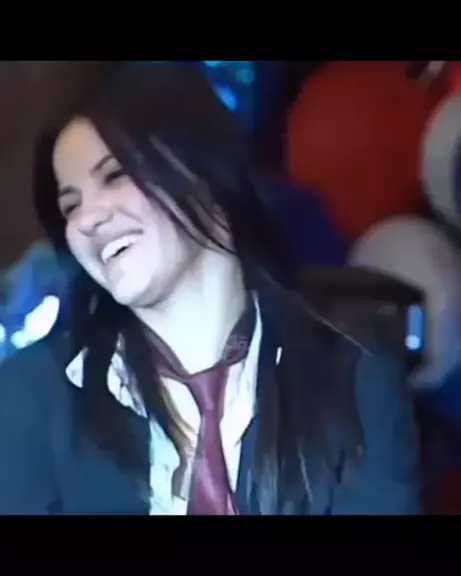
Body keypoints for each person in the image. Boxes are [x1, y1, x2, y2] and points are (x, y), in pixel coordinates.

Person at [0, 62, 420, 515]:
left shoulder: (355, 379)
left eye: (114, 175)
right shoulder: (34, 397)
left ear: (202, 169)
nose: (87, 219)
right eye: (71, 205)